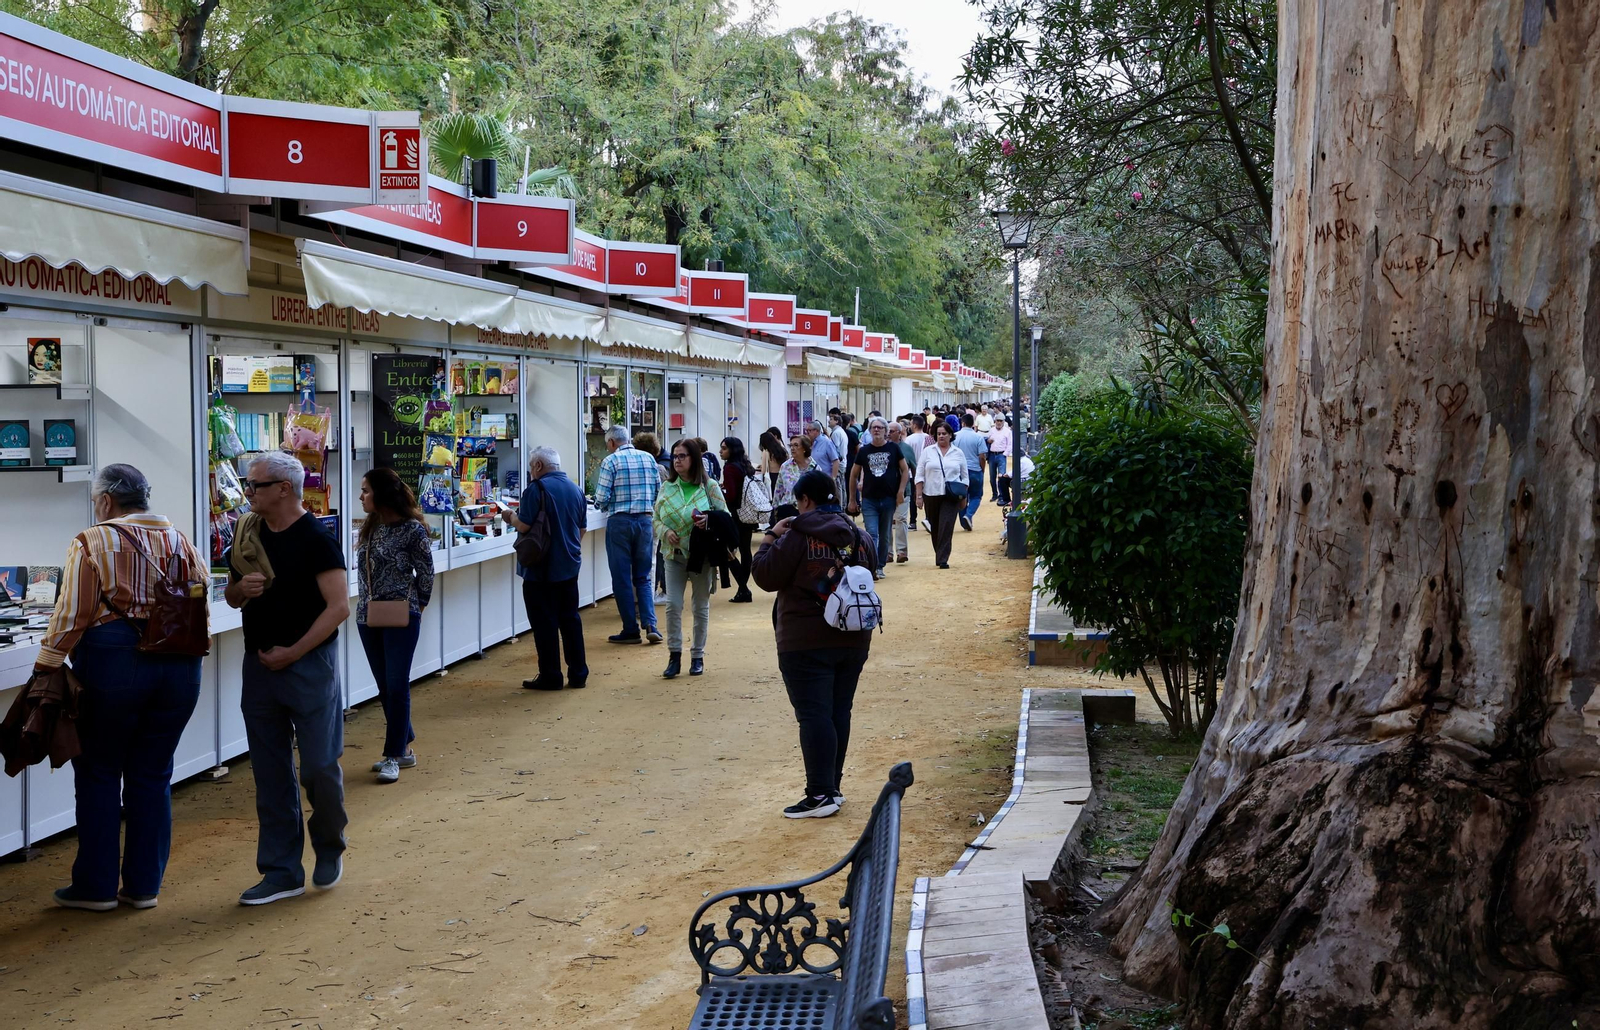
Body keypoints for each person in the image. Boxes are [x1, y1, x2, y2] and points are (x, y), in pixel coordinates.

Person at [35, 464, 207, 911]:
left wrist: (46, 664)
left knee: (99, 771)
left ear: (106, 501)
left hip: (115, 662)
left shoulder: (93, 540)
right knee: (153, 774)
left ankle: (95, 888)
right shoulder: (180, 539)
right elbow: (201, 592)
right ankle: (143, 886)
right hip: (180, 665)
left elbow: (72, 612)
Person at [225, 450, 349, 906]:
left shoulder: (316, 538)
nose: (247, 492)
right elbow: (231, 596)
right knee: (270, 772)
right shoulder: (248, 534)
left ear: (283, 488)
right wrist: (241, 589)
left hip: (308, 665)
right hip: (258, 667)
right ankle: (281, 870)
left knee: (318, 766)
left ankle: (330, 842)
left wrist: (294, 652)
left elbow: (339, 607)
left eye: (254, 485)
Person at [752, 470, 876, 819]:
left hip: (804, 639)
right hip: (854, 636)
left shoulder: (796, 535)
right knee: (839, 711)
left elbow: (764, 575)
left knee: (813, 714)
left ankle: (820, 793)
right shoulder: (860, 535)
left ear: (805, 501)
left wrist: (769, 536)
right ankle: (831, 787)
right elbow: (873, 568)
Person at [354, 468, 434, 785]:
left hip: (402, 613)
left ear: (382, 494)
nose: (361, 496)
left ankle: (394, 754)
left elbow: (426, 573)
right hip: (368, 614)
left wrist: (418, 607)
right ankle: (405, 742)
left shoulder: (412, 530)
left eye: (365, 490)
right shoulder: (370, 527)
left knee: (397, 684)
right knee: (385, 686)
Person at [507, 447, 589, 691]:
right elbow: (581, 528)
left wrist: (509, 516)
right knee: (570, 619)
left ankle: (551, 675)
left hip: (540, 569)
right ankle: (578, 673)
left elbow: (523, 525)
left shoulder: (536, 489)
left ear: (539, 466)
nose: (531, 472)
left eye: (532, 467)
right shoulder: (576, 489)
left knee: (544, 623)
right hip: (569, 566)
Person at [653, 438, 729, 678]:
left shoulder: (710, 486)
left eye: (682, 456)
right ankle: (674, 655)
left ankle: (697, 656)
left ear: (694, 459)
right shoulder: (667, 487)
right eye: (675, 456)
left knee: (700, 606)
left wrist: (710, 521)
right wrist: (665, 531)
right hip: (673, 556)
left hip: (701, 557)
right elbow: (656, 519)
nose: (676, 460)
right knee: (673, 605)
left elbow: (725, 517)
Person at [594, 425, 663, 645]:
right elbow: (657, 492)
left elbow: (602, 498)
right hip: (644, 521)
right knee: (643, 576)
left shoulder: (611, 461)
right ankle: (651, 624)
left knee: (622, 577)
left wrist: (601, 504)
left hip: (620, 522)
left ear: (612, 442)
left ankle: (630, 629)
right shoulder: (649, 459)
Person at [848, 417, 908, 580]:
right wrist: (852, 499)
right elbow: (853, 475)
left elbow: (905, 470)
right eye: (874, 427)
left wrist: (901, 491)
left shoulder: (894, 449)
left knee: (884, 534)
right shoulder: (864, 451)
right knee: (872, 533)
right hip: (869, 499)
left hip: (889, 499)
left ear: (886, 431)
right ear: (869, 430)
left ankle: (880, 565)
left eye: (880, 427)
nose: (876, 430)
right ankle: (871, 566)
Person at [916, 422, 968, 569]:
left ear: (950, 435)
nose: (941, 436)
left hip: (951, 495)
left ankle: (943, 558)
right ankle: (939, 553)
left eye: (944, 433)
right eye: (938, 434)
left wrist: (964, 497)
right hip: (931, 493)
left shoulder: (958, 453)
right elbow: (919, 474)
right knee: (936, 526)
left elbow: (965, 477)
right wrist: (919, 495)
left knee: (946, 525)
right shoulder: (928, 451)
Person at [720, 437, 759, 603]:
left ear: (731, 450)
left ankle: (743, 587)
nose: (720, 451)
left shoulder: (729, 468)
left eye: (724, 448)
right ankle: (743, 588)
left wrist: (723, 494)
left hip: (735, 514)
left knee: (727, 550)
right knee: (745, 549)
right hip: (748, 512)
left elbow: (732, 495)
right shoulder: (745, 465)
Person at [953, 412, 988, 532]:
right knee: (976, 495)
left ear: (962, 423)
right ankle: (968, 515)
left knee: (961, 497)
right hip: (975, 470)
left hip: (959, 471)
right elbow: (982, 456)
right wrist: (982, 469)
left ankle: (964, 521)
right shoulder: (978, 437)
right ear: (973, 424)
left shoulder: (955, 436)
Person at [887, 421, 914, 564]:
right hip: (886, 491)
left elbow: (913, 469)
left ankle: (902, 551)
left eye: (892, 431)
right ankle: (888, 552)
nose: (889, 433)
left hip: (904, 490)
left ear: (899, 433)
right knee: (887, 521)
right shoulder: (883, 448)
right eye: (888, 431)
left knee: (901, 519)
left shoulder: (907, 449)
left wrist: (917, 491)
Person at [775, 434, 817, 509]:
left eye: (796, 445)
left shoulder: (815, 467)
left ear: (804, 448)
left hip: (808, 511)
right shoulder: (785, 466)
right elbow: (778, 490)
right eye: (791, 445)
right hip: (787, 509)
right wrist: (774, 510)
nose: (792, 448)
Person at [805, 419, 841, 491]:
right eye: (806, 431)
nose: (807, 433)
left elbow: (836, 461)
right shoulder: (807, 443)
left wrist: (833, 478)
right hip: (811, 480)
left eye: (810, 430)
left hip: (825, 480)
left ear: (817, 431)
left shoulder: (826, 442)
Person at [987, 414, 1013, 503]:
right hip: (992, 455)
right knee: (992, 477)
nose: (998, 422)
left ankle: (1001, 495)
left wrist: (1005, 454)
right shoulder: (991, 430)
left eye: (1000, 421)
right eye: (997, 420)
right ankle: (994, 494)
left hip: (1001, 455)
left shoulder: (1007, 431)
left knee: (1001, 476)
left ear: (1003, 422)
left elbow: (1010, 444)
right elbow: (987, 440)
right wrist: (989, 441)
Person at [759, 427, 787, 494]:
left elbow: (764, 470)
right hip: (782, 475)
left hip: (772, 477)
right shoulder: (782, 449)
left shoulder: (766, 451)